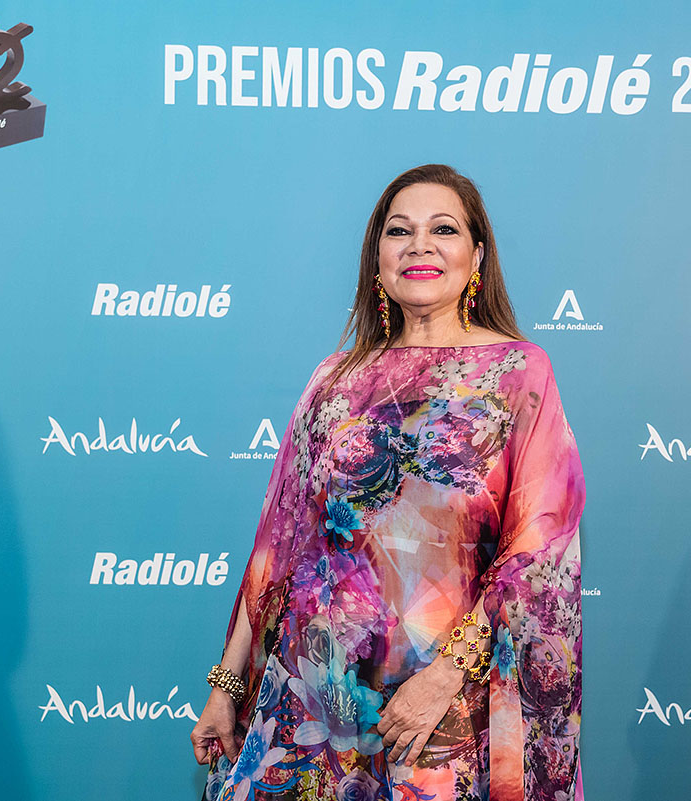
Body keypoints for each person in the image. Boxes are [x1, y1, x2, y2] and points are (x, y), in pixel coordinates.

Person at [190, 164, 584, 801]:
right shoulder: (334, 379)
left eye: (443, 229)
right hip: (315, 701)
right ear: (377, 259)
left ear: (477, 255)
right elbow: (277, 548)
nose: (420, 245)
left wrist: (446, 677)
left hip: (439, 708)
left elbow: (537, 550)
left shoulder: (518, 373)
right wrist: (228, 687)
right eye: (399, 231)